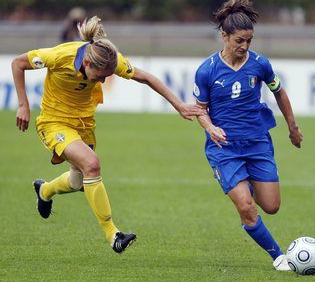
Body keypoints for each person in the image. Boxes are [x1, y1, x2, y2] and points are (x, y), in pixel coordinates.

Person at [11, 16, 205, 253]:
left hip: (84, 124)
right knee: (92, 164)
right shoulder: (59, 56)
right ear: (89, 64)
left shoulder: (110, 60)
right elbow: (18, 63)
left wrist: (179, 105)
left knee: (77, 181)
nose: (103, 80)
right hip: (54, 123)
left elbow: (146, 77)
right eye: (101, 76)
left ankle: (44, 191)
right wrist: (23, 104)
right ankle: (113, 234)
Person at [193, 0, 303, 270]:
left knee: (272, 206)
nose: (244, 46)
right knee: (246, 206)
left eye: (249, 41)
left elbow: (280, 93)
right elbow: (200, 109)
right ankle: (278, 256)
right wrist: (209, 126)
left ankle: (245, 184)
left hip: (257, 144)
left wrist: (292, 127)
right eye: (238, 40)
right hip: (224, 149)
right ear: (224, 36)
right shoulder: (206, 71)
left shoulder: (260, 64)